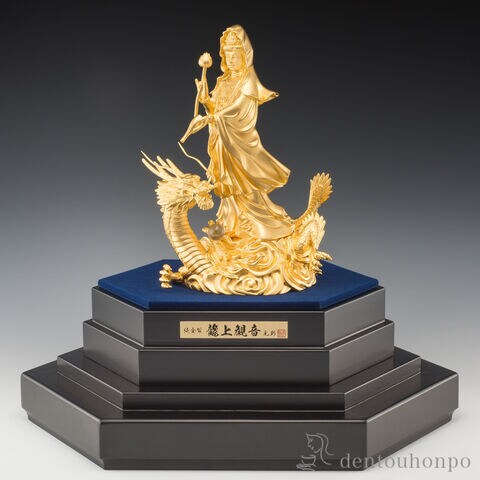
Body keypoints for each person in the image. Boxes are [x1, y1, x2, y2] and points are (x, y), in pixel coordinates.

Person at [195, 25, 294, 240]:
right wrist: (205, 101)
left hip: (239, 142)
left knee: (246, 184)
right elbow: (215, 108)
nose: (231, 58)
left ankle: (260, 226)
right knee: (227, 186)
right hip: (222, 141)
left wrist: (216, 117)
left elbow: (240, 108)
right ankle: (232, 224)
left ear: (245, 54)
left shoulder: (248, 79)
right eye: (227, 52)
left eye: (235, 52)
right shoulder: (223, 81)